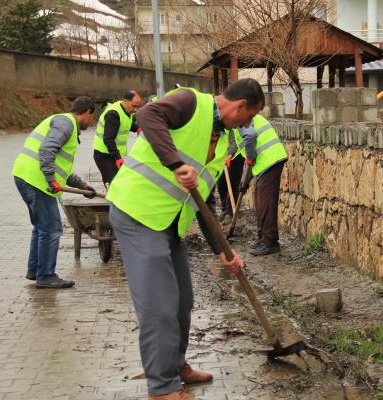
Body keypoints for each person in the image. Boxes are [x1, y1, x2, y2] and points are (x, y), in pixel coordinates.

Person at [106, 78, 265, 400]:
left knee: (181, 303)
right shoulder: (191, 102)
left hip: (170, 224)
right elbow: (147, 116)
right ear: (240, 106)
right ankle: (162, 388)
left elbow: (203, 203)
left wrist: (223, 251)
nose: (245, 125)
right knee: (158, 306)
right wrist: (175, 164)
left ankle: (176, 365)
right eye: (248, 118)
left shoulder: (221, 143)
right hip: (138, 214)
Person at [12, 97, 97, 289]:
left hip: (26, 176)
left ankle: (36, 271)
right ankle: (46, 276)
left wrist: (82, 186)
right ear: (87, 112)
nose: (91, 122)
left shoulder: (64, 122)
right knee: (51, 228)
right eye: (92, 117)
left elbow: (61, 168)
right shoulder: (66, 123)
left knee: (41, 227)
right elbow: (47, 150)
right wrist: (50, 179)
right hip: (37, 181)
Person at [239, 114, 288, 256]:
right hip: (264, 163)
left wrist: (249, 159)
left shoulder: (238, 118)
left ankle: (270, 241)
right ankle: (262, 237)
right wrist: (245, 181)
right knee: (259, 201)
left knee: (265, 202)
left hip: (271, 159)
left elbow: (250, 139)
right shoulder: (240, 117)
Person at [93, 90, 142, 185]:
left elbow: (126, 123)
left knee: (122, 183)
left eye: (137, 106)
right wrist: (117, 157)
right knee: (114, 185)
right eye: (134, 106)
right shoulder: (113, 114)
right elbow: (108, 139)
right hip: (104, 155)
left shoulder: (125, 110)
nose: (136, 110)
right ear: (125, 101)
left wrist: (137, 128)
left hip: (112, 154)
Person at [216, 128, 245, 221]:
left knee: (233, 184)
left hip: (236, 155)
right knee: (221, 184)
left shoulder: (230, 125)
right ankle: (224, 209)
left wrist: (229, 155)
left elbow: (234, 142)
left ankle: (230, 212)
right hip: (221, 157)